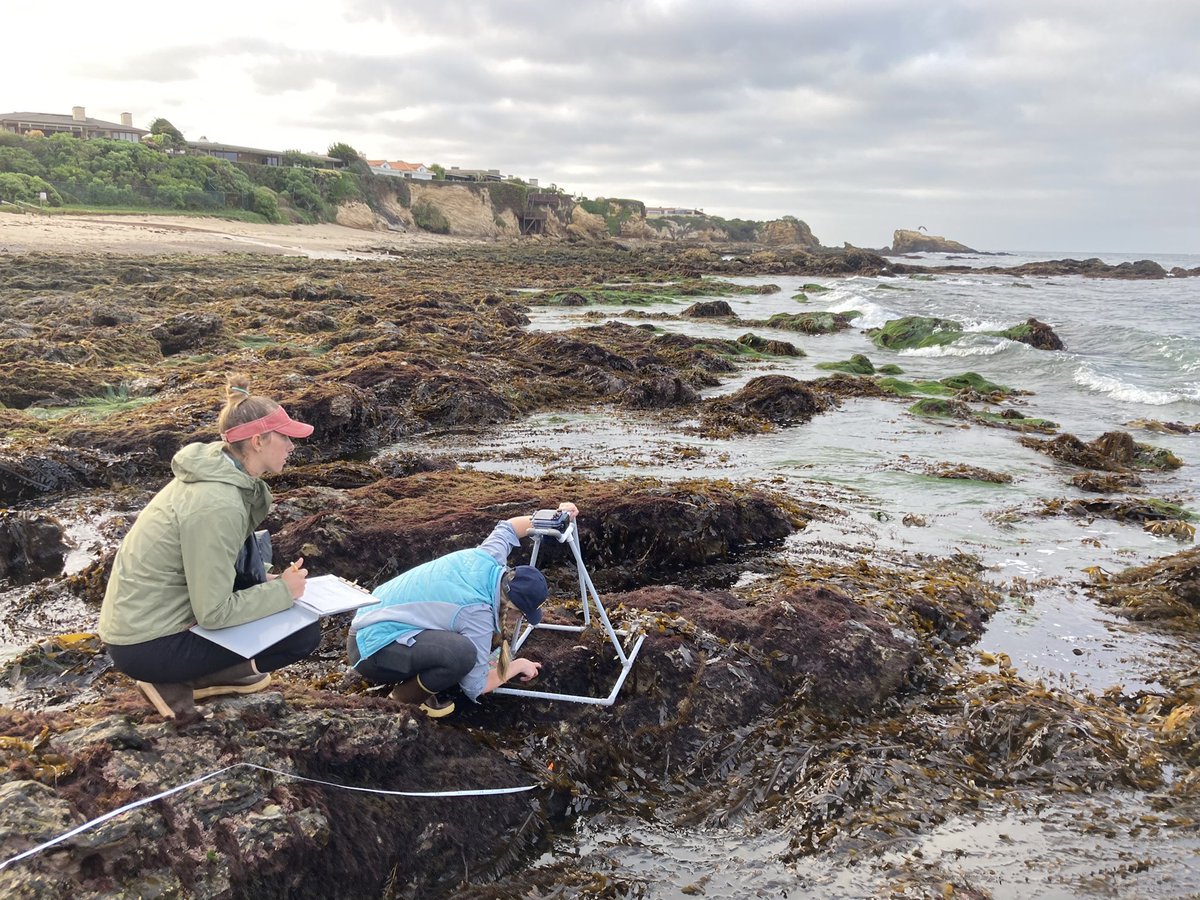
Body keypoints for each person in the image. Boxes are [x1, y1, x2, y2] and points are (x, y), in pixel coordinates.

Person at [99, 374, 320, 720]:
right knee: (302, 631)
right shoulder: (218, 503)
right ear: (259, 441)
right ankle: (176, 678)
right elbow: (214, 613)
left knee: (282, 605)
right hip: (148, 644)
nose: (292, 446)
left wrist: (267, 583)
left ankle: (213, 674)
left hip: (150, 626)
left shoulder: (222, 477)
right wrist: (282, 594)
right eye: (286, 437)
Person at [347, 502, 579, 717]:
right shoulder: (476, 614)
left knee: (463, 643)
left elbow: (510, 527)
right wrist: (517, 666)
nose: (519, 619)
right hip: (369, 650)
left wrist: (555, 519)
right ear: (511, 604)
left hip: (371, 619)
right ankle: (401, 701)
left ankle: (419, 675)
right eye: (520, 613)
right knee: (462, 655)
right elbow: (476, 687)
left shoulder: (489, 557)